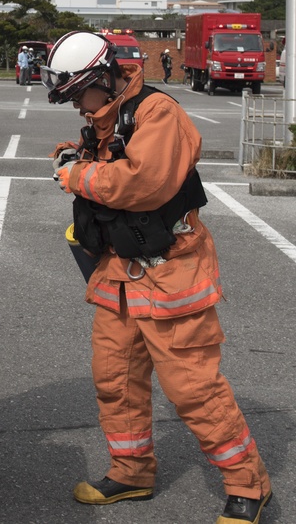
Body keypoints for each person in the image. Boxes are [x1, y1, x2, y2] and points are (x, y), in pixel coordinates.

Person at [42, 31, 272, 524]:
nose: (78, 107)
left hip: (171, 275)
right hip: (118, 274)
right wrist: (75, 154)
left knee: (194, 389)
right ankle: (131, 472)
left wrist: (76, 176)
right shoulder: (109, 118)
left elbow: (143, 183)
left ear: (102, 78)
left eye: (79, 95)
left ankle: (247, 484)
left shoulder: (157, 112)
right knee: (115, 380)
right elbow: (111, 160)